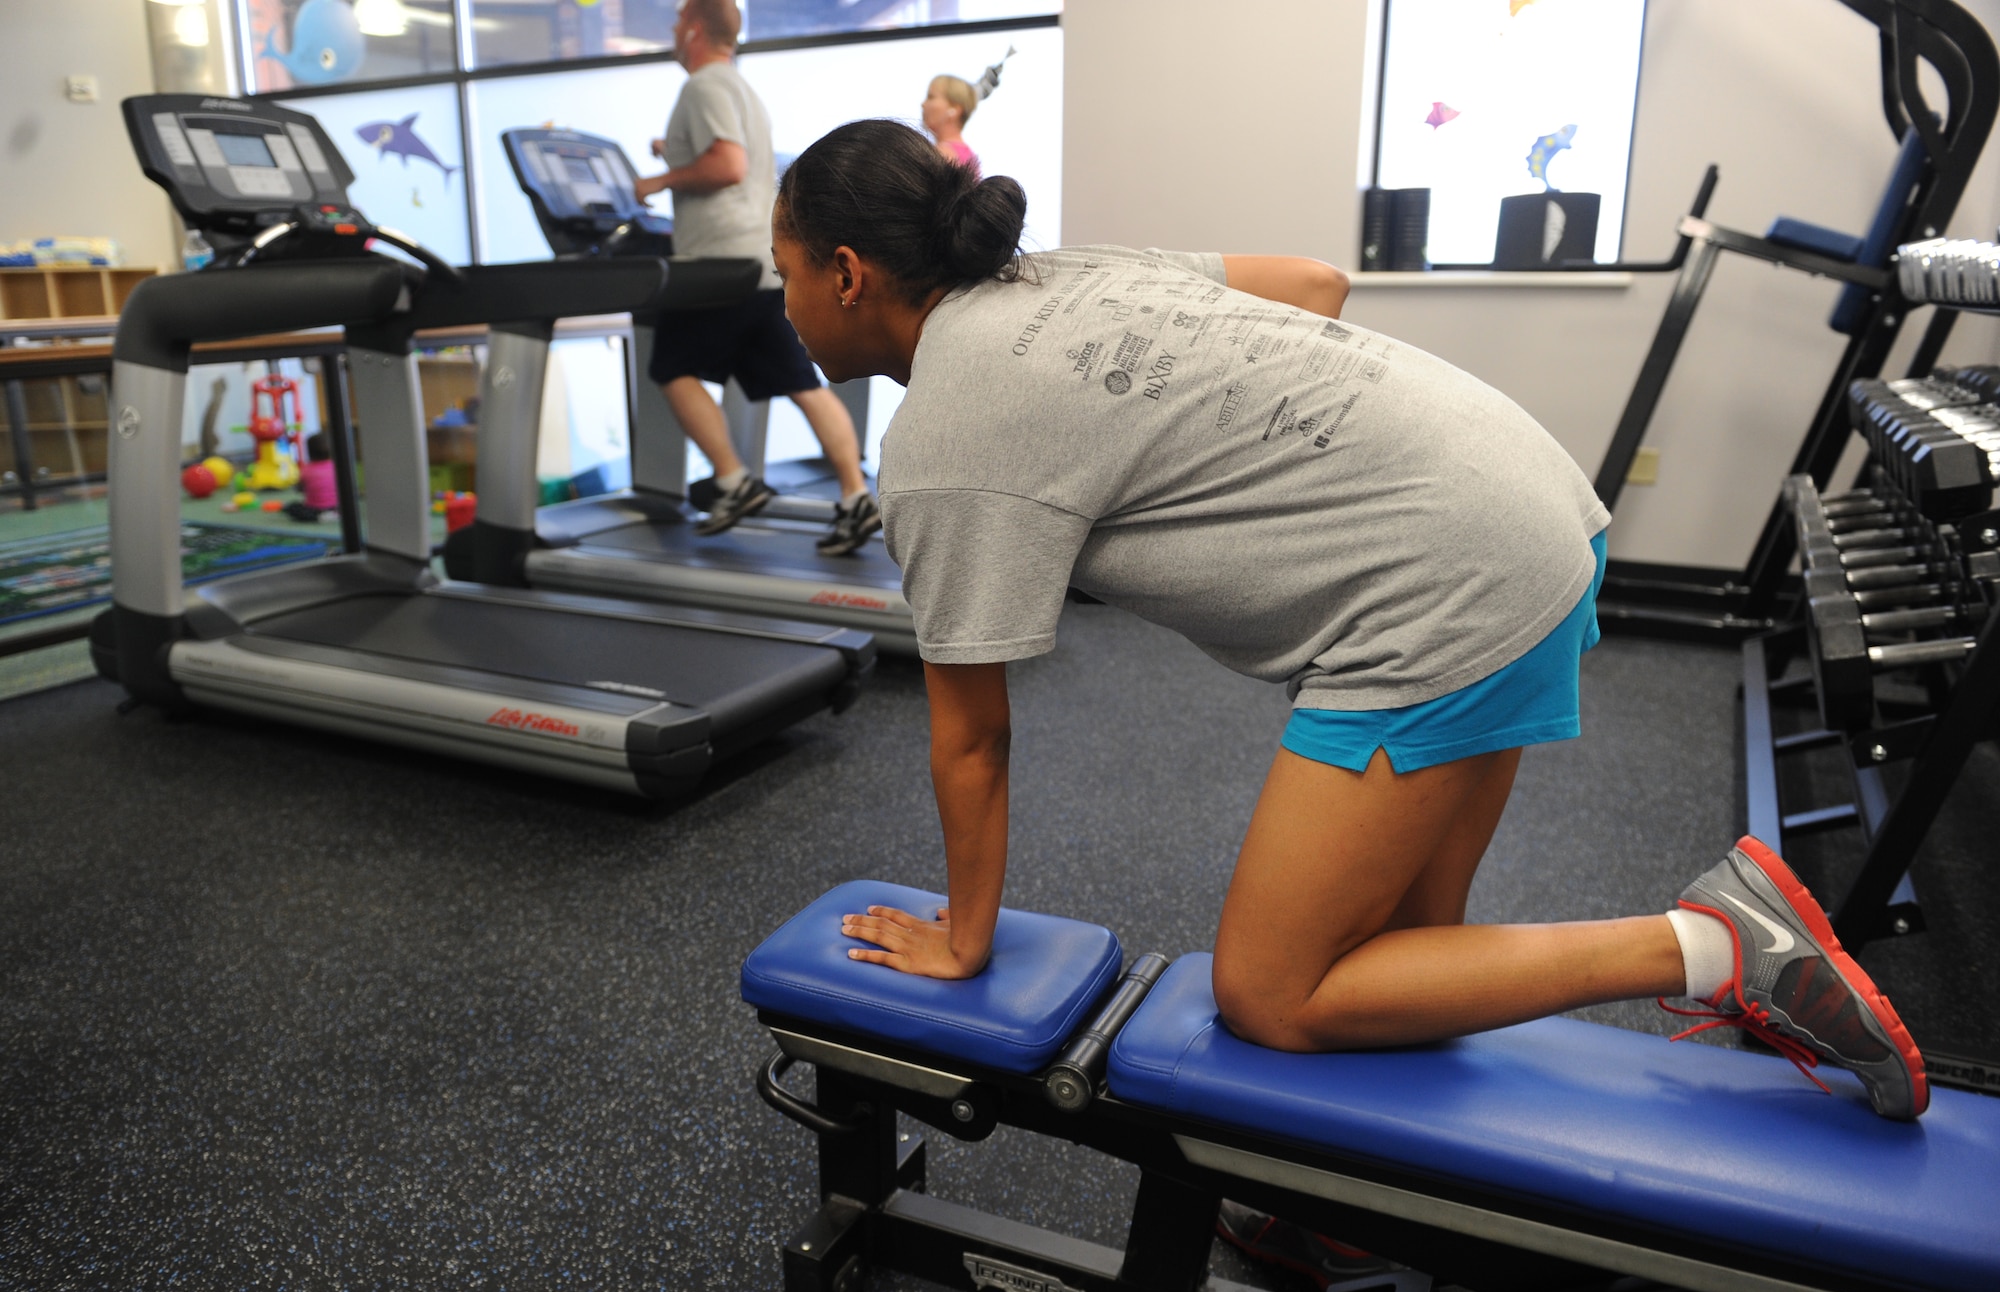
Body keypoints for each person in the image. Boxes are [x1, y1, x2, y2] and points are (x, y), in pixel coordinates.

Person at [770, 120, 1929, 1121]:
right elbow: (1316, 283)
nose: (785, 306)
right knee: (1396, 962)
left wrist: (963, 940)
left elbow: (973, 738)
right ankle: (1364, 1217)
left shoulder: (940, 436)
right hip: (1531, 505)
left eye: (784, 276)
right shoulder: (1062, 274)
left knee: (1273, 992)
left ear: (847, 271)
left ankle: (1713, 948)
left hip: (1442, 593)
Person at [631, 0, 879, 554]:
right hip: (760, 261)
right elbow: (733, 157)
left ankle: (732, 481)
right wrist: (674, 153)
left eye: (676, 24)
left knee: (671, 367)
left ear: (694, 30)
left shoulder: (704, 86)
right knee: (801, 384)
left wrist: (657, 181)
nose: (673, 33)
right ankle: (855, 494)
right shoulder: (742, 89)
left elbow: (728, 165)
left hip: (717, 264)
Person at [921, 74, 981, 175]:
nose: (923, 104)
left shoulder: (941, 154)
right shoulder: (969, 156)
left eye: (931, 97)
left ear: (954, 109)